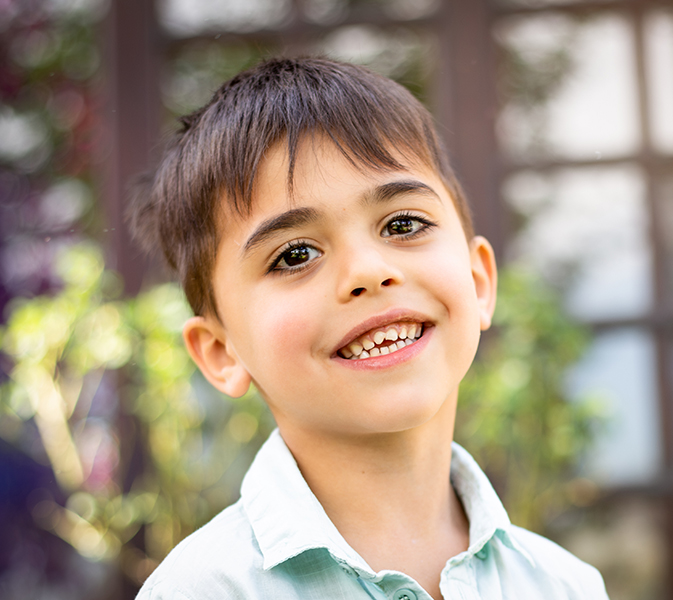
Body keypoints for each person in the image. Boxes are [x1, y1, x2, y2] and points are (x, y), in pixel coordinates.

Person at [131, 56, 609, 600]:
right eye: (295, 255)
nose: (368, 271)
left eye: (402, 224)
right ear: (220, 352)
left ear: (478, 281)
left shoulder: (562, 585)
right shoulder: (201, 592)